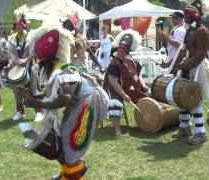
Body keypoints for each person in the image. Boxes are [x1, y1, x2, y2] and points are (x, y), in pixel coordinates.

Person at [17, 20, 108, 179]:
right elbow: (51, 95)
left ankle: (73, 173)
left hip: (88, 102)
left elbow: (64, 99)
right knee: (63, 136)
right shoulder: (55, 71)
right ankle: (69, 171)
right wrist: (29, 95)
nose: (38, 64)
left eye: (39, 61)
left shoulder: (61, 72)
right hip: (78, 102)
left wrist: (37, 103)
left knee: (70, 138)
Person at [172, 0, 209, 145]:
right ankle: (185, 126)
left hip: (197, 67)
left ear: (196, 15)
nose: (186, 17)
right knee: (181, 95)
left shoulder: (202, 31)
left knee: (194, 97)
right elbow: (183, 50)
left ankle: (201, 133)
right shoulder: (189, 30)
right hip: (187, 66)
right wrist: (172, 63)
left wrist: (185, 65)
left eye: (188, 15)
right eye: (185, 15)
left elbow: (200, 54)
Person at [103, 29, 149, 137]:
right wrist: (123, 95)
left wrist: (143, 85)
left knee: (148, 98)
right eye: (119, 50)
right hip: (113, 89)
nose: (120, 53)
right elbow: (113, 81)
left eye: (123, 52)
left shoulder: (132, 61)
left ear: (127, 52)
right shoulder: (114, 63)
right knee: (115, 103)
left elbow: (138, 74)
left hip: (130, 88)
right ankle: (117, 130)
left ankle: (150, 123)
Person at [8, 7, 44, 122]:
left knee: (33, 90)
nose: (18, 29)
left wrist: (25, 60)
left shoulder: (30, 37)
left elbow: (34, 53)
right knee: (17, 90)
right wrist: (13, 60)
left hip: (30, 67)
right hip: (18, 68)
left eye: (20, 27)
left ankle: (38, 111)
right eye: (17, 27)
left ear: (24, 26)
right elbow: (11, 53)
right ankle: (20, 111)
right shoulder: (13, 38)